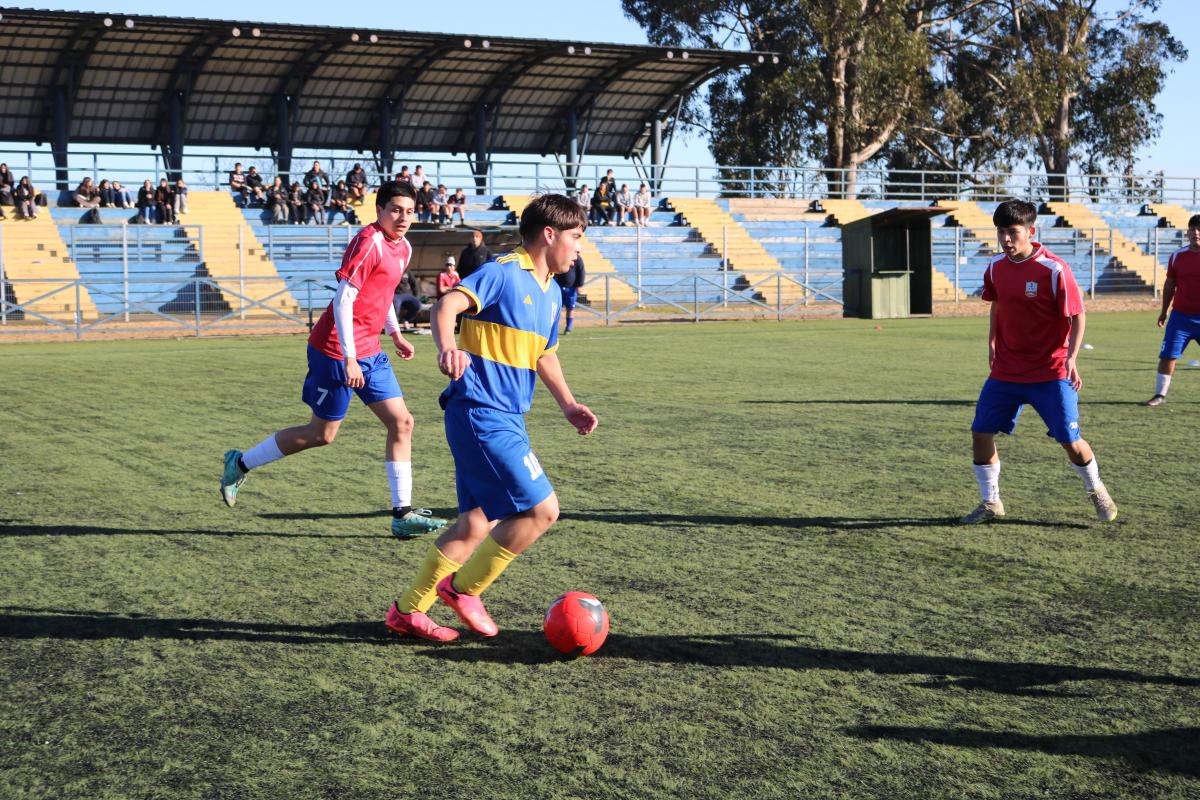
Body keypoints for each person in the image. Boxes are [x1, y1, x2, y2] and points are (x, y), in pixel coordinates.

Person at [384, 193, 598, 642]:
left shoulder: (552, 291)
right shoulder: (503, 272)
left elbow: (544, 354)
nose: (579, 248)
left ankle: (407, 611)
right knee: (542, 511)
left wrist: (568, 404)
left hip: (505, 416)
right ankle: (464, 589)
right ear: (549, 234)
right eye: (576, 237)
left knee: (475, 523)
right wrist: (448, 348)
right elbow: (445, 306)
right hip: (481, 412)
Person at [220, 181, 449, 539]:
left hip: (369, 349)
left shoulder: (403, 246)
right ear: (379, 210)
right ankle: (240, 463)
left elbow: (382, 294)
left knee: (402, 422)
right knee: (322, 434)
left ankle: (402, 514)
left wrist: (395, 334)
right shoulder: (369, 242)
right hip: (334, 351)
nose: (403, 218)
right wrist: (349, 358)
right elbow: (344, 299)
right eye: (395, 210)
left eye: (409, 211)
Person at [962, 199, 1117, 525]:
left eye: (1012, 232)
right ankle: (991, 502)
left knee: (1070, 442)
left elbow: (1078, 315)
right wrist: (992, 342)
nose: (1005, 239)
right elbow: (997, 303)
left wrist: (1072, 357)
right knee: (980, 433)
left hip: (1051, 371)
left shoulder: (1054, 269)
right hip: (1007, 370)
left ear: (1030, 232)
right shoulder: (995, 267)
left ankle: (1097, 489)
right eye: (1000, 232)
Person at [1146, 214, 1200, 406]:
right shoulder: (1178, 256)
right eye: (1192, 229)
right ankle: (1160, 395)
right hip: (1181, 318)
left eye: (1199, 229)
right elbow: (1170, 284)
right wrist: (1164, 311)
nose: (1196, 233)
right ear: (1187, 232)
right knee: (1168, 355)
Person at [554, 253, 585, 333]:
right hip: (558, 287)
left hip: (571, 288)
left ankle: (568, 328)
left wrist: (579, 285)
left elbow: (581, 271)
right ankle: (554, 328)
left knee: (570, 308)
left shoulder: (577, 258)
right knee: (556, 309)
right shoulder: (560, 255)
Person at [392, 269, 422, 334]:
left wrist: (416, 296)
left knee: (417, 304)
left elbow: (414, 284)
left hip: (407, 294)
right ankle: (395, 325)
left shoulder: (407, 271)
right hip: (396, 294)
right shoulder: (393, 269)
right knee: (396, 306)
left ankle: (405, 319)